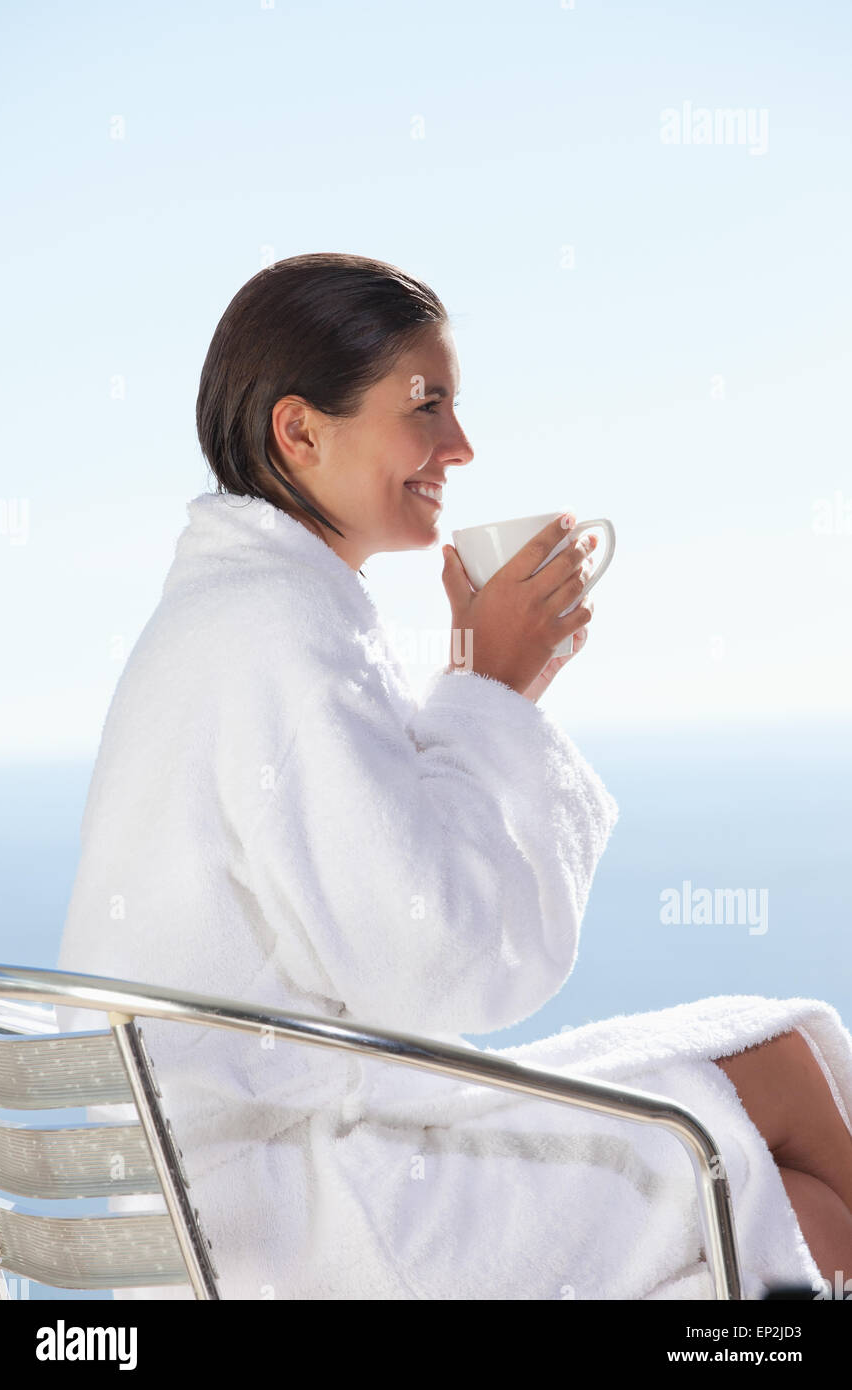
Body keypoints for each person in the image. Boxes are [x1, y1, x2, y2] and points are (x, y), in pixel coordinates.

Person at [56, 252, 852, 1300]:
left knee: (782, 1069)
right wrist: (494, 690)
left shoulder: (234, 615)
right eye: (422, 404)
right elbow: (438, 959)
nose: (459, 445)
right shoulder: (275, 631)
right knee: (794, 1170)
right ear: (298, 431)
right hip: (299, 1218)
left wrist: (482, 679)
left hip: (240, 1193)